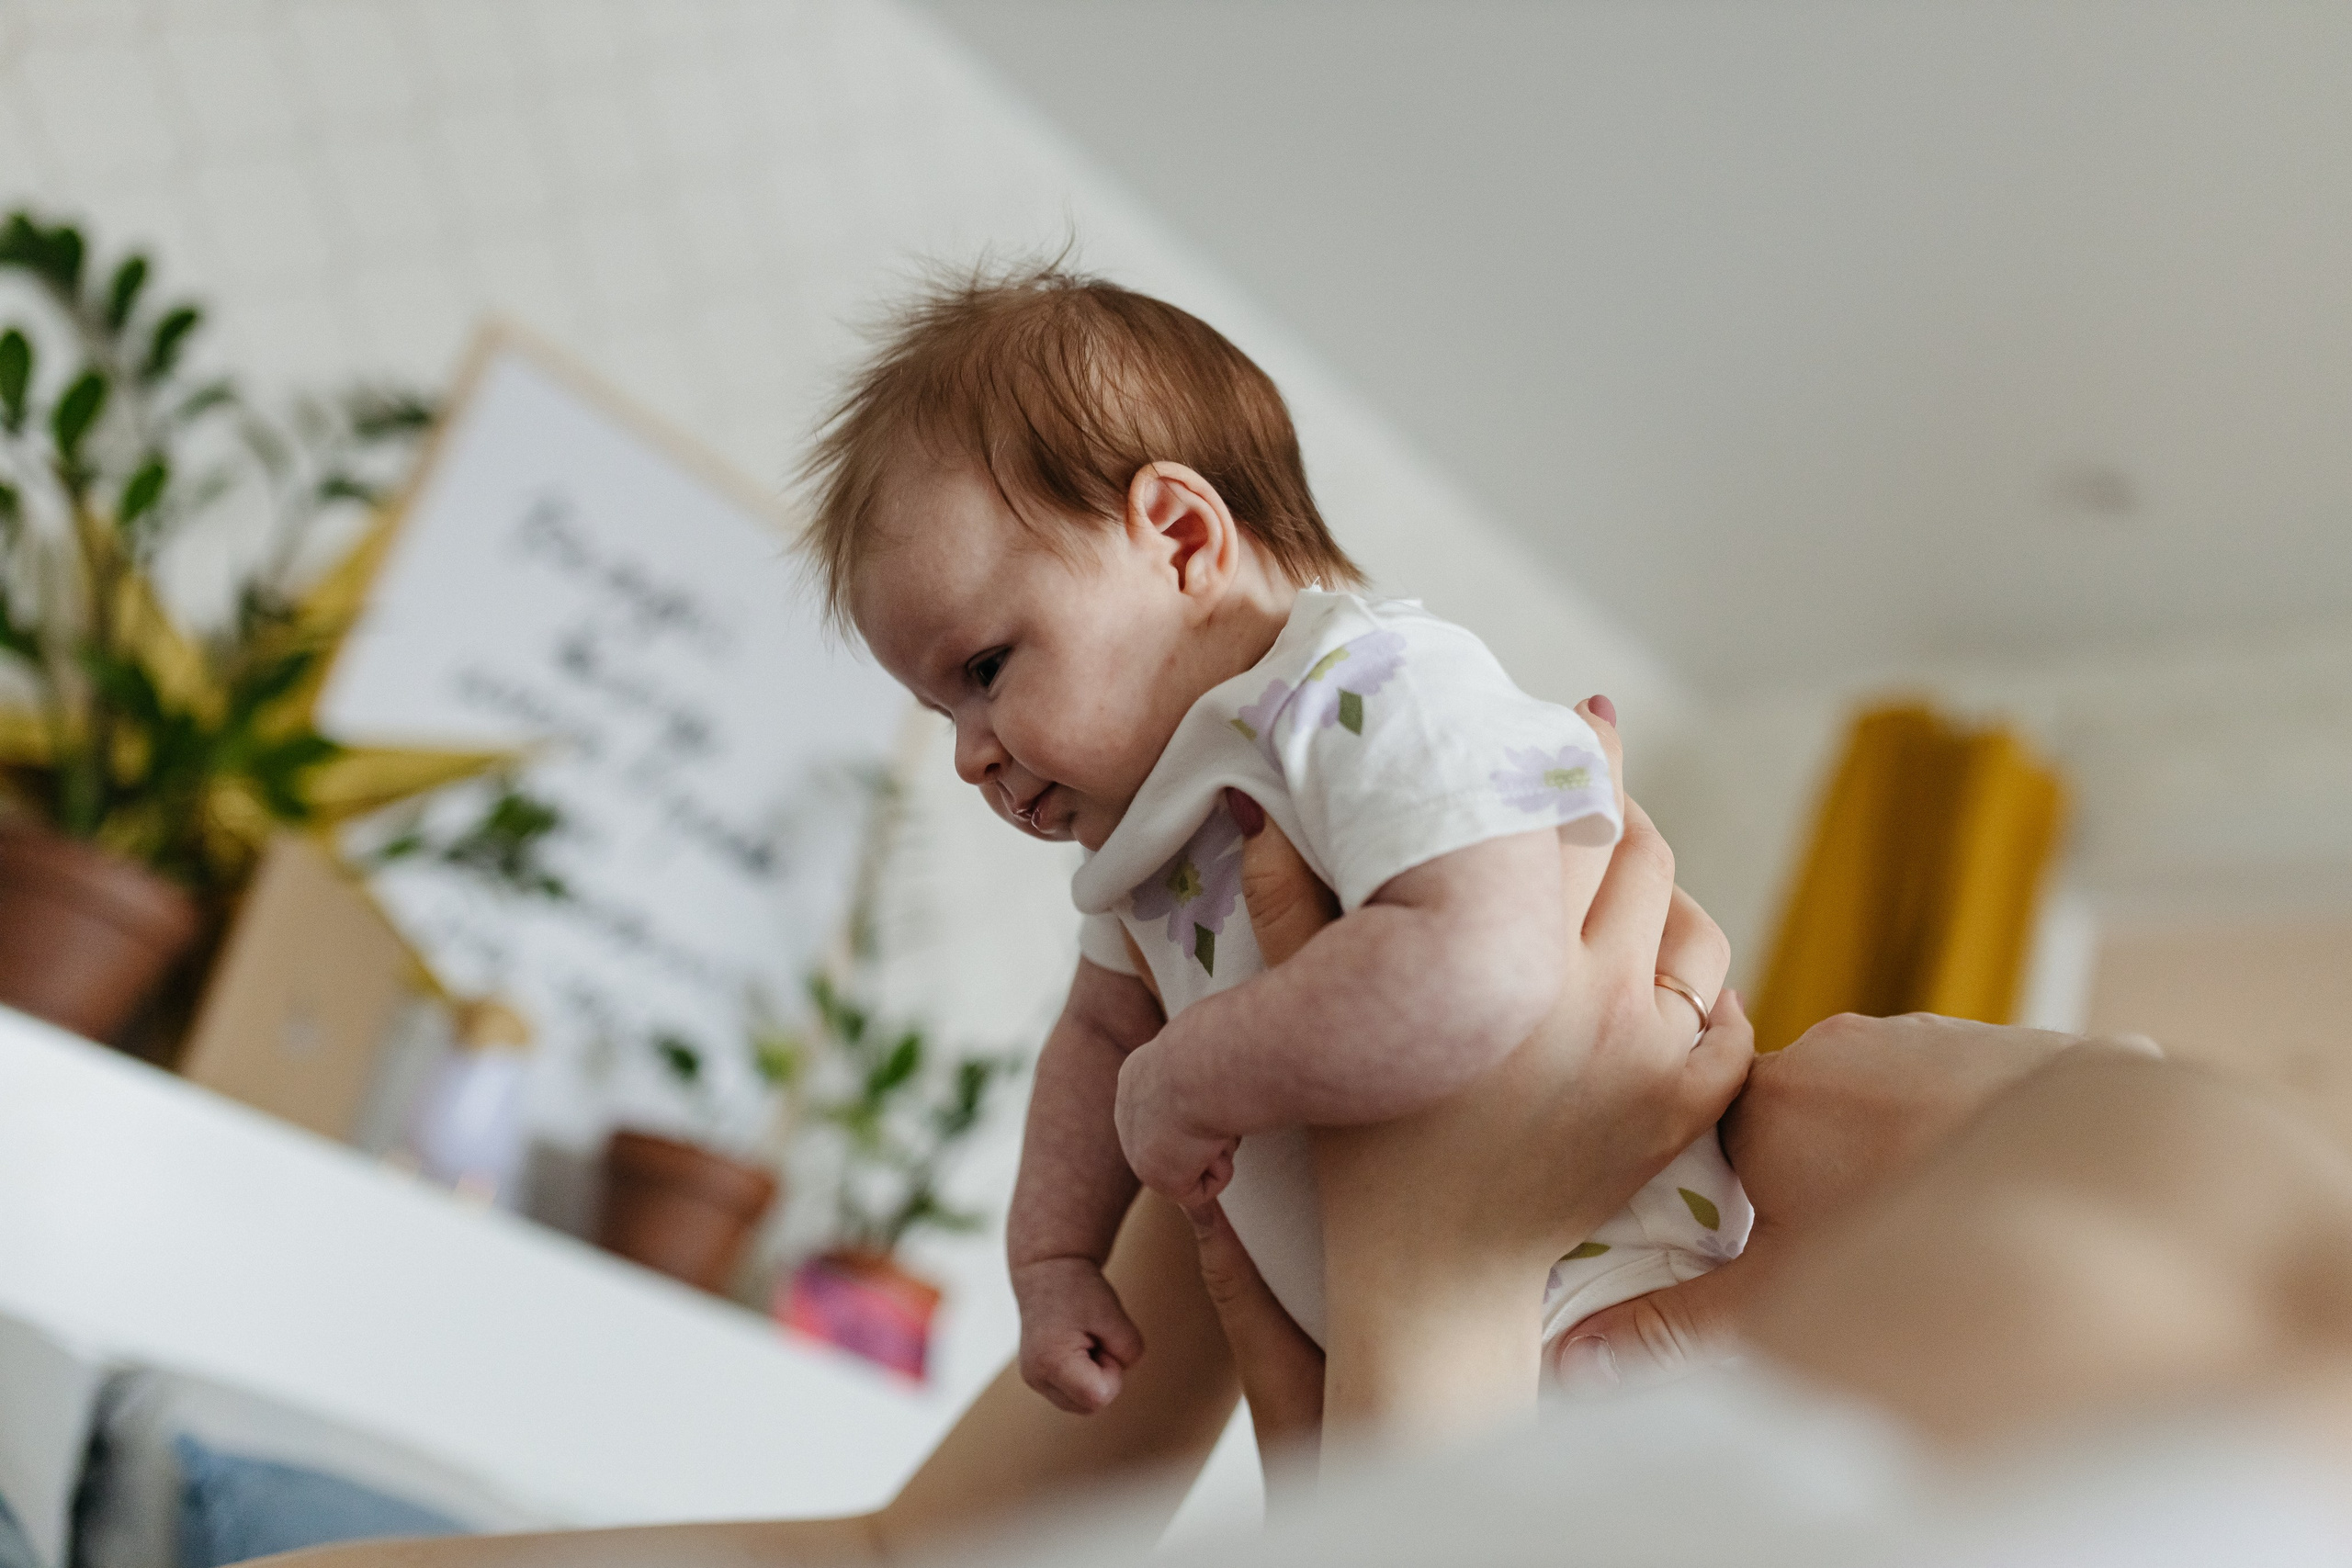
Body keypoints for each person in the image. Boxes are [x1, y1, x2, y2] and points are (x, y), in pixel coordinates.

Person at [804, 262, 1747, 1414]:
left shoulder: (1366, 689)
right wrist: (1051, 1262)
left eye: (987, 669)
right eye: (940, 710)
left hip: (1623, 1323)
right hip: (1429, 1376)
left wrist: (1187, 1074)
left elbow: (1480, 965)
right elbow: (1097, 1038)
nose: (968, 755)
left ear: (1180, 539)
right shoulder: (1158, 829)